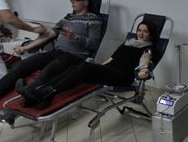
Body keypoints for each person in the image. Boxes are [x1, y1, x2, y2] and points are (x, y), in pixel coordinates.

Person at [0, 0, 102, 112]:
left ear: (86, 2)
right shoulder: (67, 18)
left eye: (76, 0)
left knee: (51, 68)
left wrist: (75, 37)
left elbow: (94, 44)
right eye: (71, 0)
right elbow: (48, 35)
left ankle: (26, 99)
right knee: (20, 67)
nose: (72, 3)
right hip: (57, 52)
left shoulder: (94, 20)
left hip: (75, 56)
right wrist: (26, 47)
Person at [13, 21, 157, 113]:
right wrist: (99, 68)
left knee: (85, 67)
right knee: (75, 68)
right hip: (110, 71)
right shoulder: (128, 43)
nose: (141, 33)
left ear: (151, 35)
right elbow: (111, 58)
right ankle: (42, 96)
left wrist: (143, 70)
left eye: (145, 31)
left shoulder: (148, 48)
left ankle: (42, 94)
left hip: (122, 76)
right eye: (139, 30)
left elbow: (145, 60)